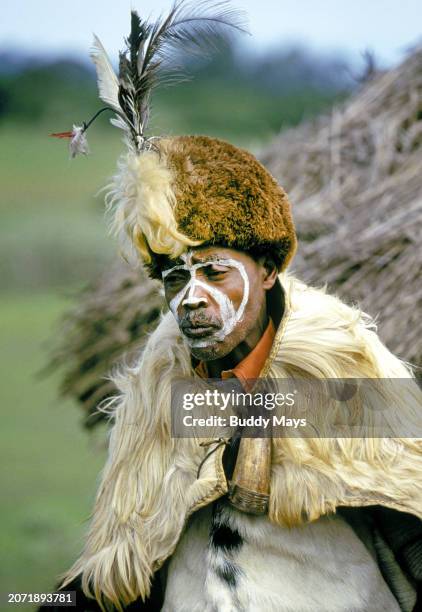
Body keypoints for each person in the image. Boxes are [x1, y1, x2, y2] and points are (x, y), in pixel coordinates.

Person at [44, 4, 422, 611]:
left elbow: (401, 478)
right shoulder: (158, 383)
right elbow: (131, 532)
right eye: (174, 277)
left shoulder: (341, 353)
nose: (191, 297)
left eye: (215, 271)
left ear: (268, 270)